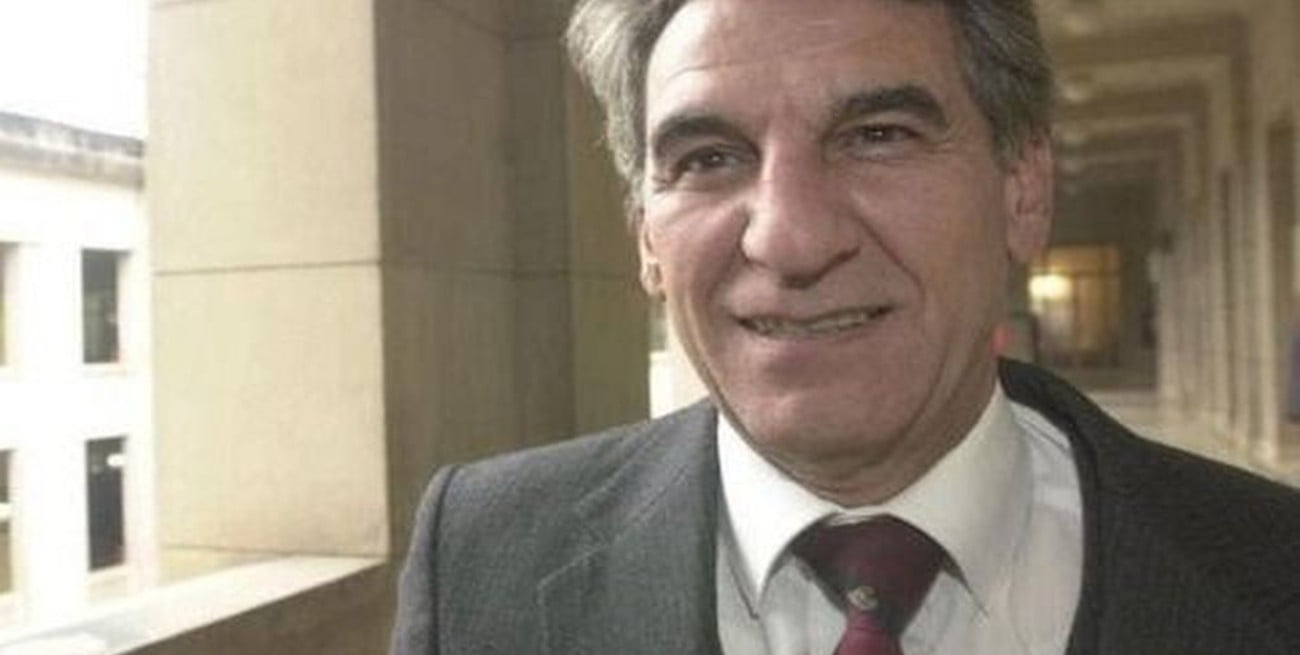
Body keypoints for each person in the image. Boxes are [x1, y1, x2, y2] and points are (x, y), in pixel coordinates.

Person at [391, 0, 1300, 653]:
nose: (790, 236)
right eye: (708, 158)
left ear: (1023, 191)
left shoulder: (1273, 567)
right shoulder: (477, 560)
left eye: (879, 135)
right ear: (646, 241)